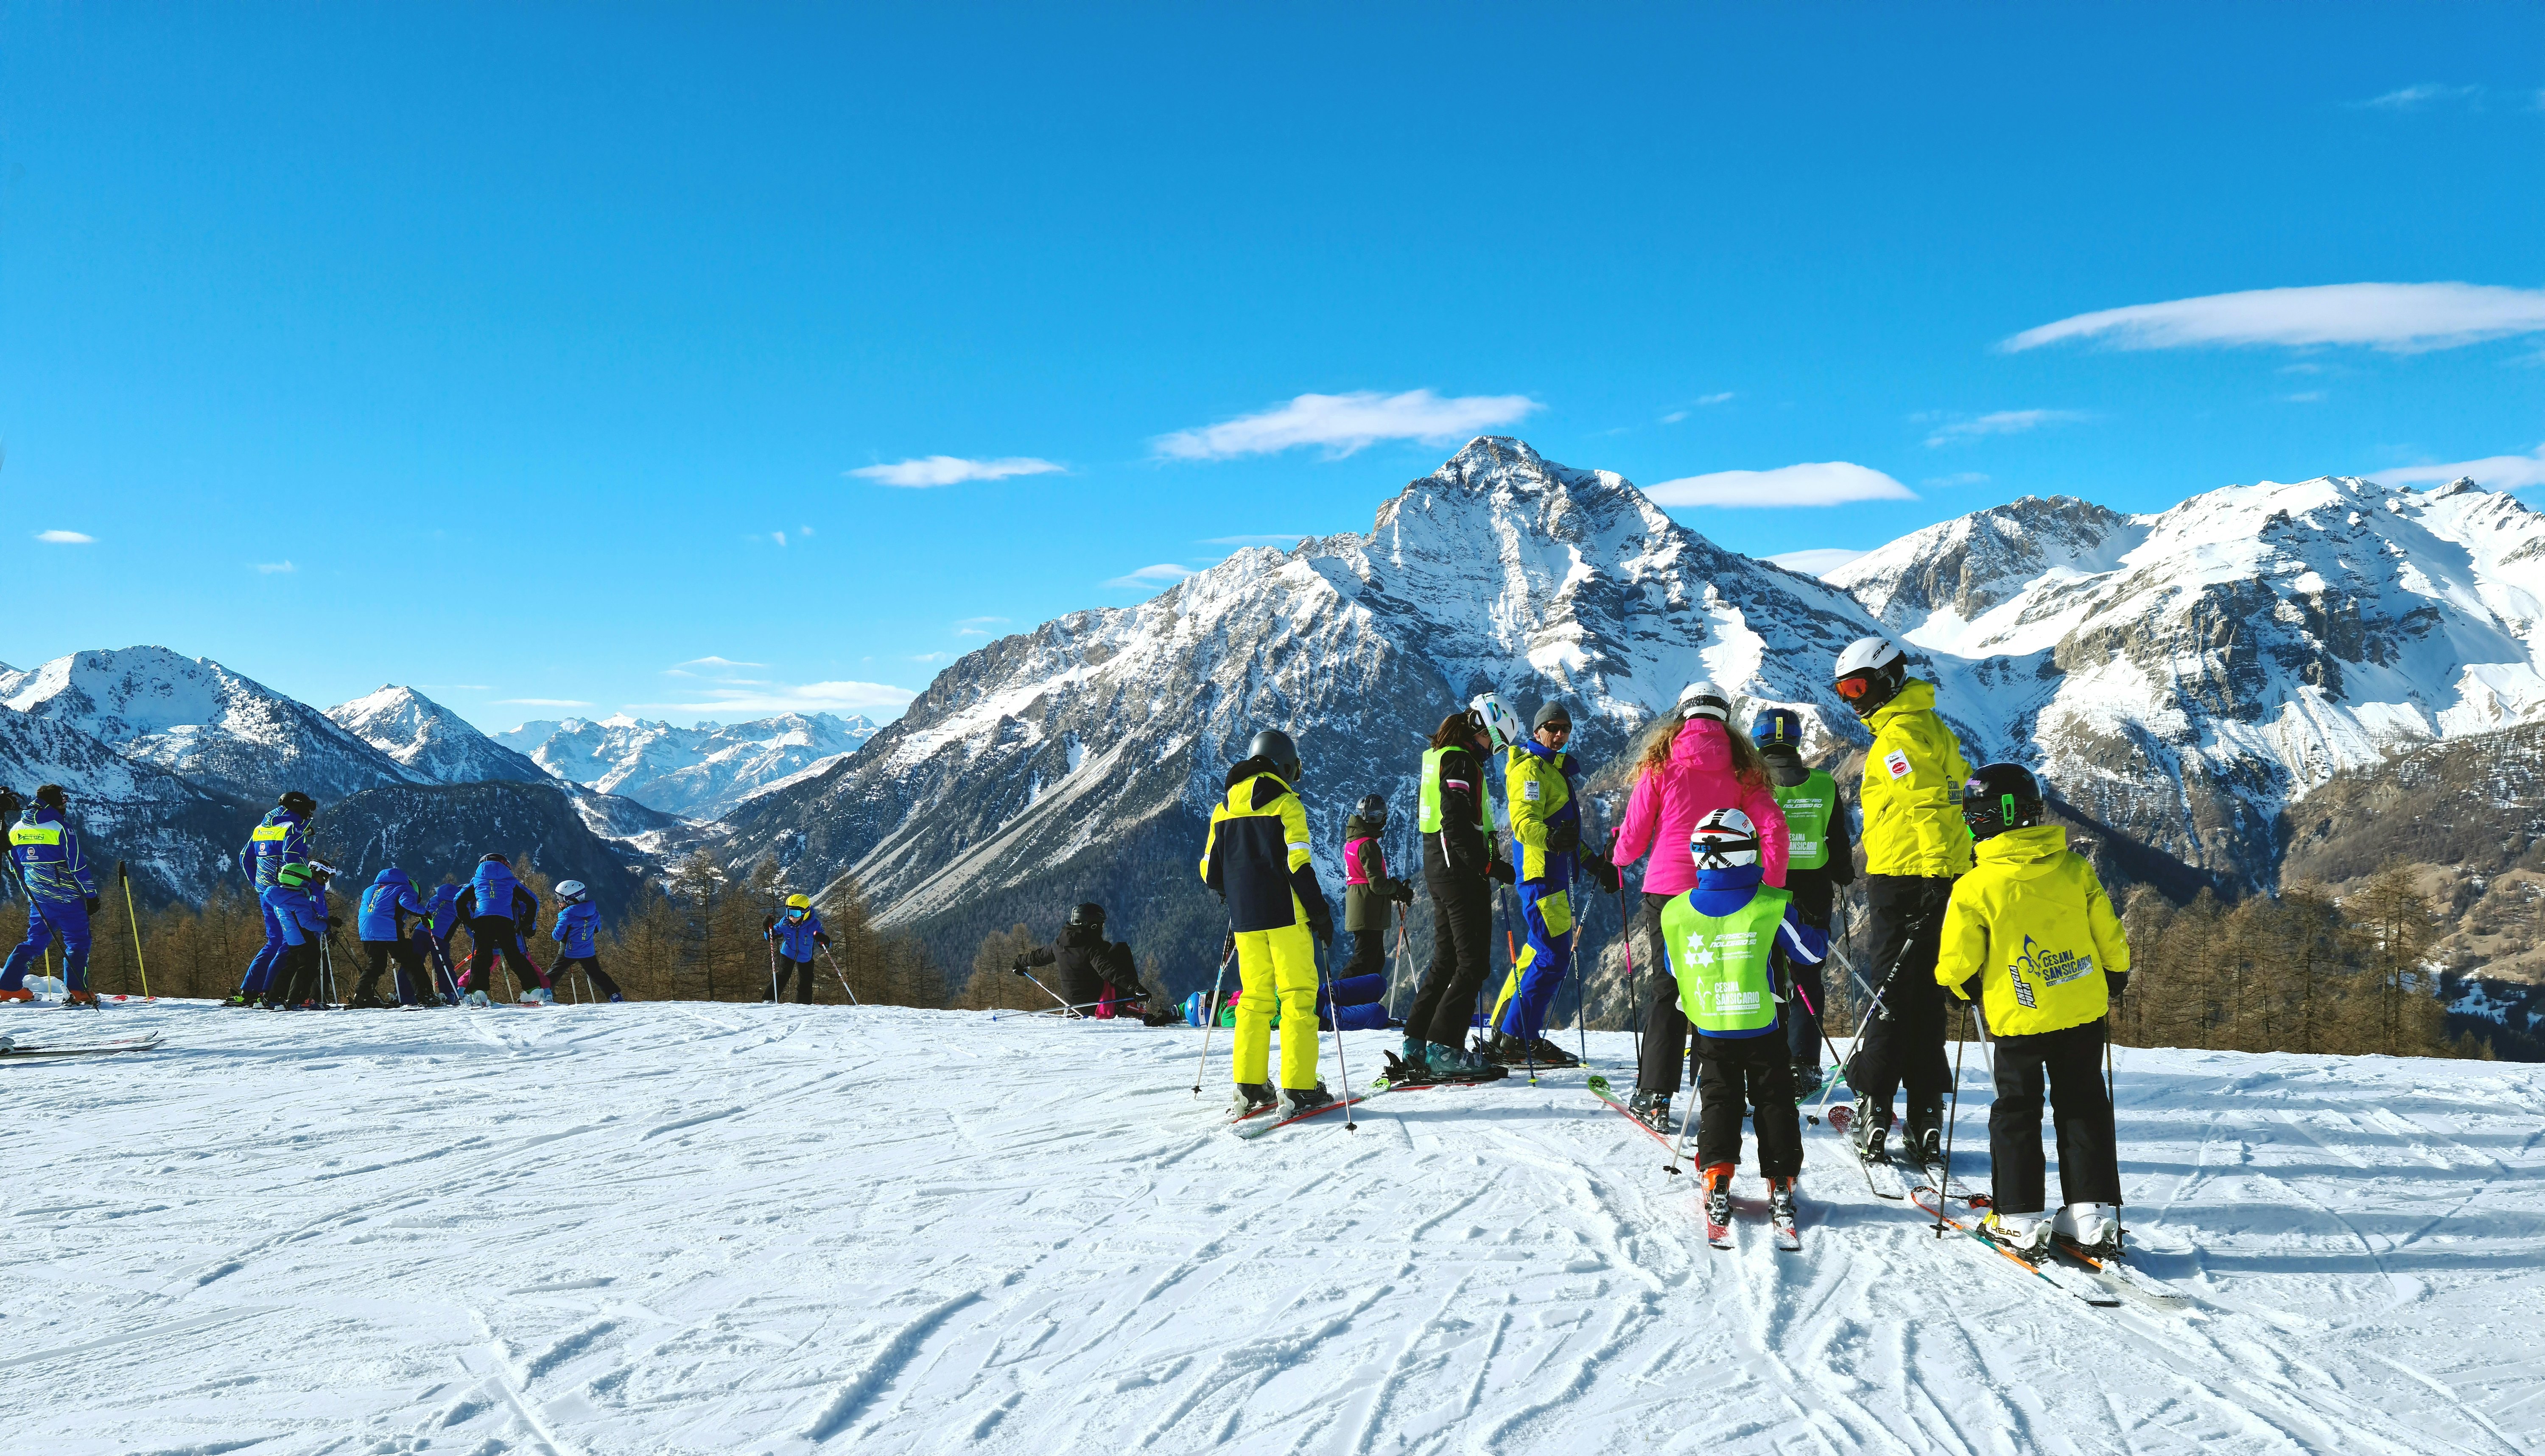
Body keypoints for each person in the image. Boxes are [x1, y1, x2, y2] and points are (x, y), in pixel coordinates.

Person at [1938, 763, 2130, 1257]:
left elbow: (1960, 962)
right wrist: (2115, 972)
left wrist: (1955, 987)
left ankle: (2019, 1217)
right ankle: (2091, 1215)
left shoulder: (1977, 886)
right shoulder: (2074, 868)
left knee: (2017, 1111)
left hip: (2020, 1019)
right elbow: (2107, 929)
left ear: (1982, 821)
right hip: (2081, 1009)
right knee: (2084, 1104)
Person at [1611, 683, 1788, 1130]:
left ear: (1682, 714)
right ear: (1725, 717)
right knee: (1723, 982)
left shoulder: (1660, 764)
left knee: (1669, 989)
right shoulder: (1744, 767)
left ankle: (1655, 1094)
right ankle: (1719, 1087)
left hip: (1669, 890)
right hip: (1729, 890)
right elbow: (1775, 829)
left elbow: (1631, 842)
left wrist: (1618, 855)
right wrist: (1768, 887)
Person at [1834, 635, 1972, 1166]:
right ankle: (1926, 1111)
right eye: (1844, 690)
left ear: (1888, 679)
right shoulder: (1929, 723)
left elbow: (1930, 803)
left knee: (1889, 994)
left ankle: (1876, 1105)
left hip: (1907, 877)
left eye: (1859, 686)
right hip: (1941, 874)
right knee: (1926, 995)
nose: (1852, 699)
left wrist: (1936, 871)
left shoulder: (1898, 738)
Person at [1664, 809, 1824, 1236]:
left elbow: (1675, 966)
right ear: (1748, 851)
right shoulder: (1770, 905)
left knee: (1721, 1100)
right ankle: (1781, 1179)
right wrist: (1815, 928)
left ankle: (1716, 1173)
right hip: (1761, 1023)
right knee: (1774, 1099)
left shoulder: (1676, 912)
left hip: (1711, 1025)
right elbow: (1810, 955)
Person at [1200, 727, 1334, 1117]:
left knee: (1255, 1000)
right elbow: (1298, 865)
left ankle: (1250, 1085)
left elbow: (1210, 872)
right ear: (1285, 767)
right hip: (1286, 915)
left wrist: (1240, 886)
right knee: (1297, 996)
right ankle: (1299, 1088)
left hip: (1245, 921)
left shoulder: (1223, 808)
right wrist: (1321, 914)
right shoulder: (1286, 804)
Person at [1485, 701, 1621, 1068]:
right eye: (1553, 727)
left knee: (1536, 952)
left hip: (1552, 874)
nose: (1559, 734)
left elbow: (1568, 835)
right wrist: (1552, 841)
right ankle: (1517, 1038)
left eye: (1565, 728)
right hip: (1541, 875)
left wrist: (1596, 865)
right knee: (1554, 956)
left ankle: (1505, 1029)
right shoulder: (1530, 770)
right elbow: (1524, 824)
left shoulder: (1552, 770)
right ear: (1537, 731)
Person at [1401, 700, 1517, 1078]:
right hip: (1460, 872)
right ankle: (1445, 1047)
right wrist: (1490, 865)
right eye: (1495, 744)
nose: (1493, 753)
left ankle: (1417, 1043)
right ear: (1483, 730)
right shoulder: (1460, 761)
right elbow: (1455, 822)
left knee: (1447, 959)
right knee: (1473, 964)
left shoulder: (1441, 756)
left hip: (1439, 868)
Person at [1753, 708, 1857, 1098]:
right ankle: (1805, 1064)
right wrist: (1844, 874)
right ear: (1797, 741)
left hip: (1762, 886)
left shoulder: (1750, 785)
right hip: (1814, 888)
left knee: (1761, 971)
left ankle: (1764, 1054)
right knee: (1807, 973)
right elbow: (1838, 840)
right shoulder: (1824, 785)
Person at [1, 785, 102, 1006]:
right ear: (56, 802)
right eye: (64, 800)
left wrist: (29, 894)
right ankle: (78, 990)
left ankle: (7, 987)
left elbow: (16, 868)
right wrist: (91, 895)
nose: (66, 804)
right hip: (67, 897)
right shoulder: (60, 828)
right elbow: (76, 865)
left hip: (39, 898)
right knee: (78, 941)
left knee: (34, 942)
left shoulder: (16, 828)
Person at [230, 790, 316, 1006]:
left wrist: (258, 884)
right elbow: (293, 860)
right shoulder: (292, 829)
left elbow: (244, 858)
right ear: (301, 809)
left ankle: (250, 989)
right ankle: (270, 993)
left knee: (274, 941)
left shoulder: (261, 829)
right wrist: (305, 888)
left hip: (266, 892)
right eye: (308, 811)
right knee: (290, 942)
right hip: (286, 893)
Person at [1014, 902, 1156, 1018]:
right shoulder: (1091, 948)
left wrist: (1019, 963)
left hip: (1074, 1004)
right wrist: (1136, 988)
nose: (1102, 928)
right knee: (1121, 949)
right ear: (1092, 925)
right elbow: (1108, 971)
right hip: (1096, 1004)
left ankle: (1126, 1001)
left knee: (1108, 948)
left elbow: (1038, 957)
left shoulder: (1059, 944)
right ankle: (1129, 1004)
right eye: (1101, 924)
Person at [1341, 794, 1413, 987]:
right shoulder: (1368, 845)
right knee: (1364, 960)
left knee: (1375, 961)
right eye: (1384, 816)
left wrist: (1393, 889)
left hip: (1361, 905)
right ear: (1377, 817)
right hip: (1367, 909)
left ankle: (1362, 1005)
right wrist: (1397, 889)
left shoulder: (1353, 841)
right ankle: (1334, 997)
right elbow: (1378, 884)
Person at [453, 853, 543, 1007]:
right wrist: (525, 923)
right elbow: (532, 901)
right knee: (514, 956)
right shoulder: (510, 880)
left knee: (482, 957)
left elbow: (459, 901)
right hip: (505, 921)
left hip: (482, 920)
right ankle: (533, 990)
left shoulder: (477, 880)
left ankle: (478, 992)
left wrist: (469, 922)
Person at [259, 861, 338, 1008]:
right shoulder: (298, 900)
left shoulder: (280, 897)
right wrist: (326, 926)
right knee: (308, 969)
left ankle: (274, 997)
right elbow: (307, 923)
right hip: (306, 939)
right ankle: (297, 999)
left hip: (293, 940)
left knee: (290, 968)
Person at [353, 866, 434, 1008]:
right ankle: (426, 995)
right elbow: (407, 904)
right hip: (389, 930)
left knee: (376, 963)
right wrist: (425, 914)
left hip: (367, 931)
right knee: (411, 961)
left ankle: (362, 996)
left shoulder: (370, 890)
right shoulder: (404, 888)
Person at [549, 880, 626, 1001]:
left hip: (568, 952)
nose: (559, 902)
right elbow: (597, 929)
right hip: (588, 952)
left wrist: (560, 924)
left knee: (555, 973)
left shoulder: (566, 916)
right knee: (597, 975)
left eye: (560, 898)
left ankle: (542, 993)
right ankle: (615, 995)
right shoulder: (594, 912)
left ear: (571, 899)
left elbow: (557, 936)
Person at [763, 893, 830, 1003]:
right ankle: (769, 999)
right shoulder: (785, 923)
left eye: (795, 913)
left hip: (805, 956)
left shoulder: (814, 925)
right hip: (788, 952)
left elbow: (825, 943)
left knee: (806, 981)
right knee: (782, 976)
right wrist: (767, 928)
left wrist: (824, 940)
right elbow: (771, 936)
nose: (791, 917)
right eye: (789, 912)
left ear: (805, 912)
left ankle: (803, 1005)